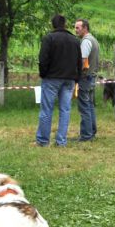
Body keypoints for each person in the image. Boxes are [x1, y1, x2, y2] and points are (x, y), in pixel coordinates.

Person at [35, 14, 82, 147]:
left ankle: (43, 141)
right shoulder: (74, 40)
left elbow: (43, 59)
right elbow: (79, 61)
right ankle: (61, 141)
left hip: (52, 78)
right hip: (69, 79)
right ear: (65, 24)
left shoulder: (49, 38)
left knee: (46, 110)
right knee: (65, 110)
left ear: (53, 24)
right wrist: (76, 79)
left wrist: (43, 74)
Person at [74, 18, 100, 142]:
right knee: (89, 106)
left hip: (85, 77)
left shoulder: (86, 41)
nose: (75, 30)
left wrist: (79, 75)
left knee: (84, 107)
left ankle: (86, 135)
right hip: (91, 76)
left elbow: (83, 61)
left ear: (85, 28)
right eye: (75, 27)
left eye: (78, 27)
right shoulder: (93, 39)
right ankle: (92, 132)